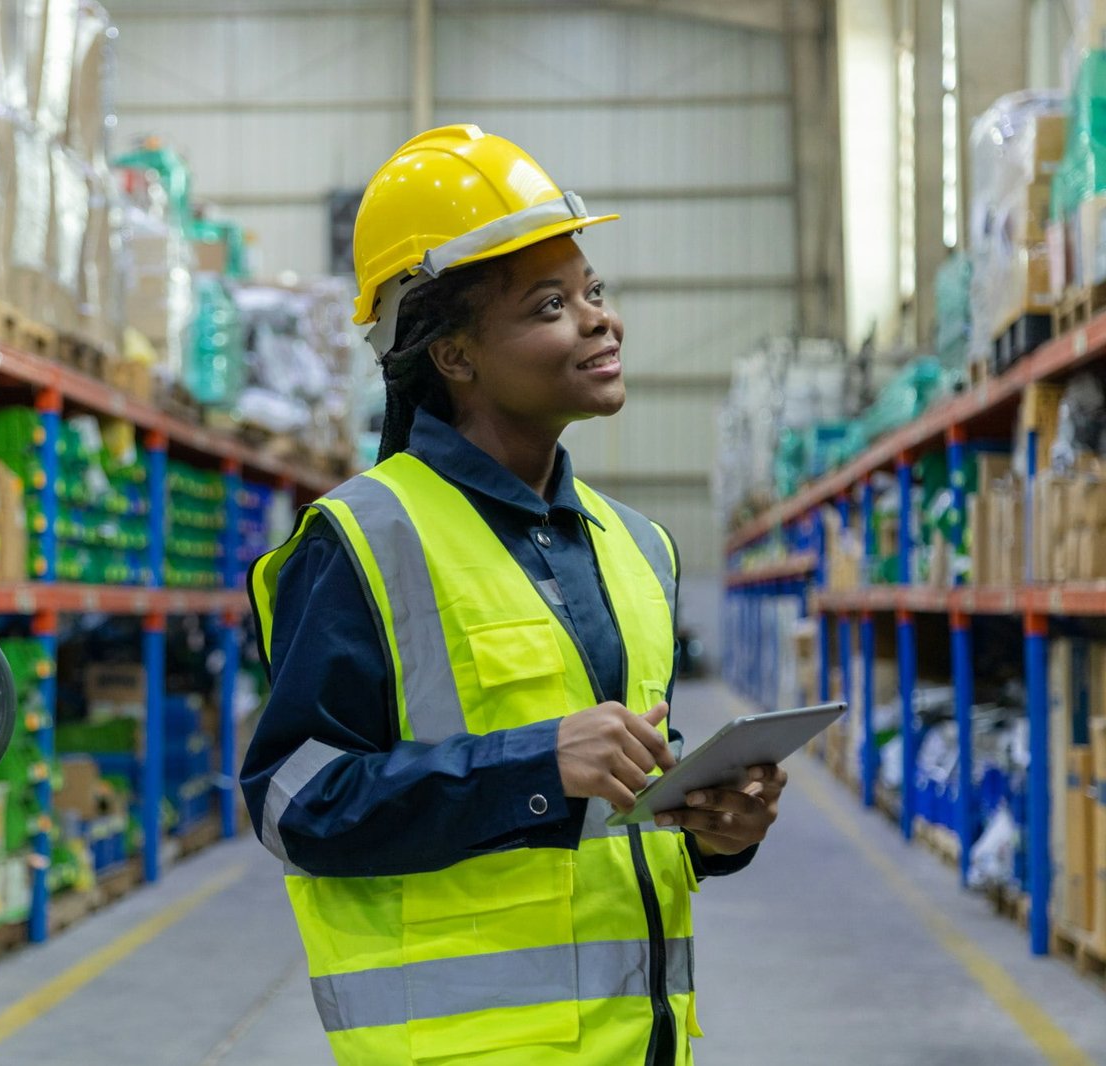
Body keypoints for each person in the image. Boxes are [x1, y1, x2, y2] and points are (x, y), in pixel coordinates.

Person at [242, 125, 788, 1065]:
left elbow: (616, 803)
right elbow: (294, 805)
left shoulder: (637, 546)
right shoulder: (363, 540)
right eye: (549, 305)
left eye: (594, 293)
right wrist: (535, 767)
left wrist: (713, 827)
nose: (597, 320)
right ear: (453, 357)